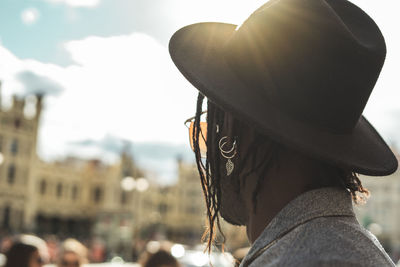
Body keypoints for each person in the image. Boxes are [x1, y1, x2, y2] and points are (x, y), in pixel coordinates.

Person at [169, 0, 398, 266]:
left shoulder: (307, 259)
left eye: (213, 125)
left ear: (236, 133)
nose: (210, 149)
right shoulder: (336, 246)